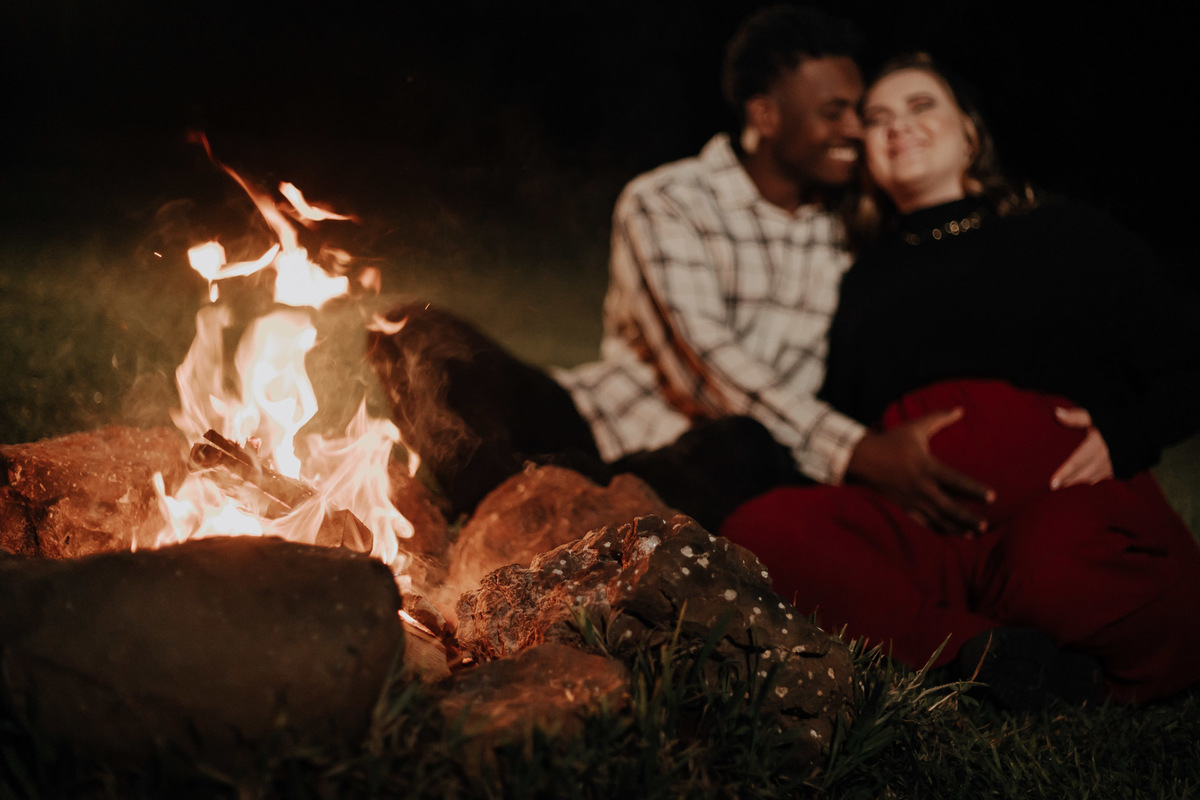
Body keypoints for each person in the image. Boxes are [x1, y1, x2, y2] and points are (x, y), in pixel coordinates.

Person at [719, 53, 1200, 706]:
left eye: (922, 106)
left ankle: (1041, 635)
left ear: (970, 131)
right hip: (927, 540)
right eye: (877, 118)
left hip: (1063, 510)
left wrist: (1124, 434)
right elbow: (844, 417)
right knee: (764, 529)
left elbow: (1183, 368)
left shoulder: (1066, 233)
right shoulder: (862, 280)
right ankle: (971, 651)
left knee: (1056, 577)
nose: (897, 127)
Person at [373, 5, 896, 531]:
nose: (855, 128)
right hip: (590, 423)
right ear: (765, 116)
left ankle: (552, 510)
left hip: (703, 463)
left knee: (746, 445)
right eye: (834, 112)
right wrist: (853, 450)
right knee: (411, 333)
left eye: (860, 111)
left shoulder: (851, 231)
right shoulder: (671, 198)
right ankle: (508, 503)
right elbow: (704, 366)